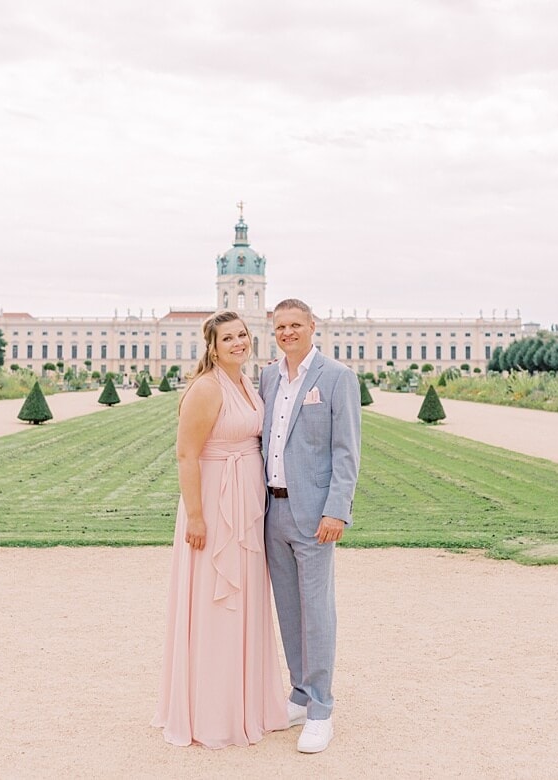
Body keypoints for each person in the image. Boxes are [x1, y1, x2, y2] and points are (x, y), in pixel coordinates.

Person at [151, 310, 290, 748]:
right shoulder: (207, 388)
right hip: (213, 503)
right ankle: (212, 712)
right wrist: (195, 516)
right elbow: (186, 455)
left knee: (245, 602)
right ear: (212, 346)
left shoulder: (250, 383)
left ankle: (245, 704)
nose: (238, 343)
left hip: (247, 506)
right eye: (228, 337)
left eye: (243, 335)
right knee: (216, 604)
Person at [259, 298, 362, 754]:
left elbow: (346, 450)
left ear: (312, 326)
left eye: (295, 325)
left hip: (316, 513)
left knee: (317, 611)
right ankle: (300, 695)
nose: (288, 332)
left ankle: (322, 708)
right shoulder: (267, 377)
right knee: (289, 609)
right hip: (273, 511)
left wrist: (337, 508)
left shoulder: (337, 377)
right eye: (280, 326)